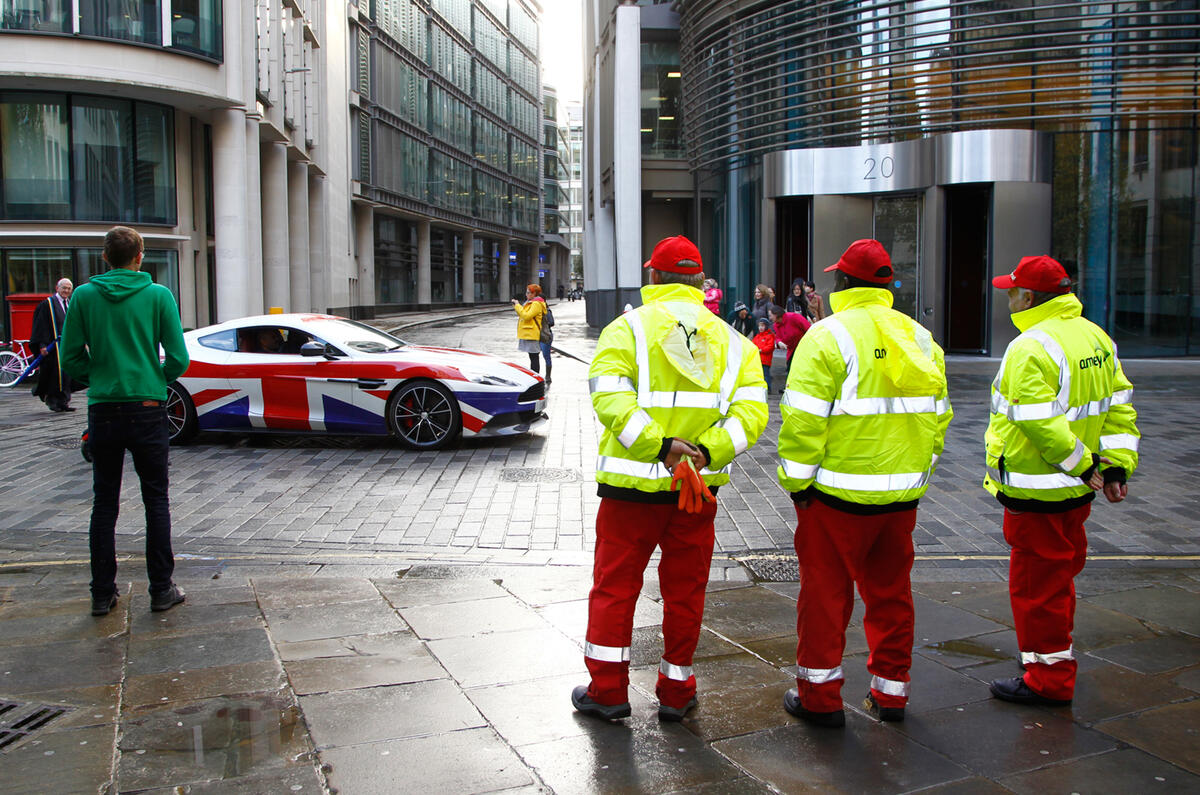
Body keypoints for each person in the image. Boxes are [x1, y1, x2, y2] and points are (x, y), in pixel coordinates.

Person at [573, 235, 768, 723]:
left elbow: (610, 398)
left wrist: (659, 446)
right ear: (700, 282)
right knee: (686, 592)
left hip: (630, 492)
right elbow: (751, 415)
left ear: (653, 276)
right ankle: (677, 692)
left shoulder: (626, 329)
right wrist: (708, 451)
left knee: (615, 589)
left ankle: (608, 691)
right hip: (695, 491)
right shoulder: (734, 342)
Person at [776, 239, 952, 727]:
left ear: (843, 283)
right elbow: (939, 418)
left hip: (835, 499)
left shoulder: (826, 337)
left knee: (825, 598)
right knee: (892, 596)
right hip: (901, 500)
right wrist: (918, 472)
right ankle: (891, 694)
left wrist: (798, 485)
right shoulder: (920, 338)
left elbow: (803, 423)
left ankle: (820, 699)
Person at [984, 256, 1139, 707]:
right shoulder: (1096, 337)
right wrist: (1115, 467)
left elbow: (1040, 423)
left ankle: (1048, 678)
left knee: (1037, 588)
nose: (1009, 300)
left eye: (1012, 292)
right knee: (1059, 579)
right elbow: (1118, 409)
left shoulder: (1030, 346)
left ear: (1029, 297)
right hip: (1076, 491)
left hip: (1040, 487)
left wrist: (1083, 464)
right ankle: (1044, 657)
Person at [59, 226, 190, 617]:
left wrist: (100, 377)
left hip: (104, 409)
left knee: (104, 503)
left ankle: (102, 593)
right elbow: (179, 359)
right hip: (148, 407)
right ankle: (161, 589)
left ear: (105, 257)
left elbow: (70, 357)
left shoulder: (83, 296)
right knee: (156, 500)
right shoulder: (158, 295)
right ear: (140, 256)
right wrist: (153, 378)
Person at [30, 278, 75, 412]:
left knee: (66, 374)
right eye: (64, 288)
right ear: (57, 288)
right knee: (53, 374)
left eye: (69, 288)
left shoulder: (70, 304)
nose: (66, 291)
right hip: (52, 347)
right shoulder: (47, 304)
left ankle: (64, 401)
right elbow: (41, 326)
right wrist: (42, 345)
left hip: (66, 346)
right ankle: (52, 400)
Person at [511, 284, 550, 380]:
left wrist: (517, 305)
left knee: (534, 357)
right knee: (532, 356)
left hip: (532, 333)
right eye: (526, 292)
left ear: (534, 293)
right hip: (529, 333)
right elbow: (522, 314)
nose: (526, 294)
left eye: (528, 292)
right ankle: (534, 377)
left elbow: (526, 316)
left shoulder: (536, 304)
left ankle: (535, 378)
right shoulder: (531, 302)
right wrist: (517, 306)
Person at [768, 303, 812, 377]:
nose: (770, 318)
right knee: (790, 370)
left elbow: (808, 328)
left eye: (770, 315)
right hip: (791, 350)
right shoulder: (776, 325)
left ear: (776, 314)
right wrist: (779, 342)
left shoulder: (793, 317)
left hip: (804, 347)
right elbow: (778, 337)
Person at [752, 316, 777, 393]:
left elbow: (770, 347)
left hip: (765, 360)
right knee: (759, 374)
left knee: (766, 374)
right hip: (758, 360)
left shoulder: (770, 336)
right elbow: (752, 344)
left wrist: (761, 350)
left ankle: (768, 388)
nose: (760, 328)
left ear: (766, 326)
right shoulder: (757, 336)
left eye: (762, 326)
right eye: (759, 326)